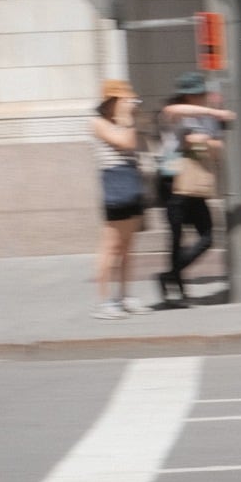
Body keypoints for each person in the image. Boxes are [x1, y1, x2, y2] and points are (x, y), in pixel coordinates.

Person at [154, 72, 233, 306]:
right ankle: (175, 290)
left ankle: (170, 274)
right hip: (173, 181)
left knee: (207, 236)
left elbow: (218, 146)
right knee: (176, 236)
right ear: (187, 95)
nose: (202, 97)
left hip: (196, 180)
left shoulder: (207, 119)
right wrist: (213, 113)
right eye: (198, 93)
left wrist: (203, 139)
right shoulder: (173, 112)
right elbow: (174, 113)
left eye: (203, 93)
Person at [89, 80, 147, 319]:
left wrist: (128, 117)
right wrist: (127, 118)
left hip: (130, 182)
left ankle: (124, 296)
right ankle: (104, 302)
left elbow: (134, 145)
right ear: (111, 102)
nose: (128, 104)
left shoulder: (122, 122)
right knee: (110, 247)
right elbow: (126, 142)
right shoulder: (97, 122)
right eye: (124, 100)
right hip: (115, 185)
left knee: (127, 248)